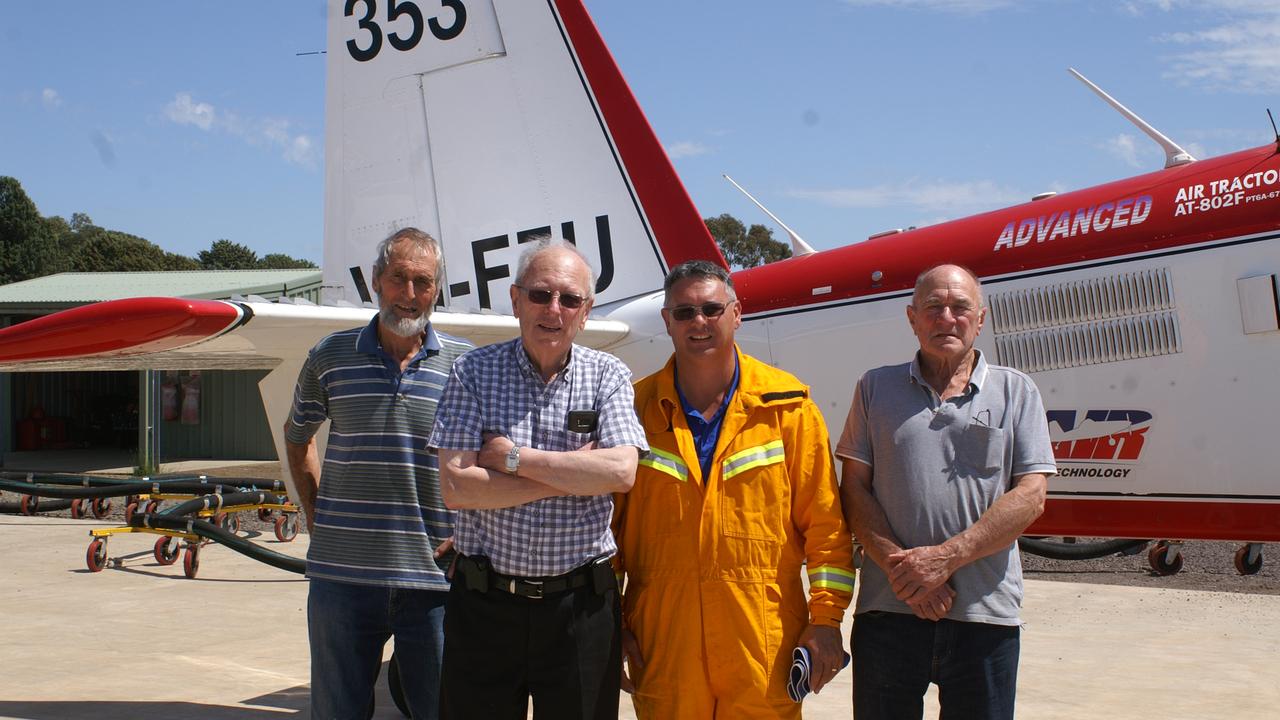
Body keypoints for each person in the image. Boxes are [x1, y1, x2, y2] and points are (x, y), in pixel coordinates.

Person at [614, 259, 855, 719]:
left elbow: (826, 529)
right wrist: (610, 625)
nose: (699, 322)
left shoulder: (788, 409)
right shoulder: (632, 410)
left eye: (711, 309)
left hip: (761, 646)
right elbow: (604, 533)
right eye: (684, 313)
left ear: (737, 314)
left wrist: (826, 621)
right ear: (666, 321)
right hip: (665, 644)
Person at [428, 238, 648, 720]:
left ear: (586, 311)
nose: (554, 309)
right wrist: (573, 474)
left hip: (581, 611)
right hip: (485, 606)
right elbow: (457, 487)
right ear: (515, 299)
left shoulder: (608, 374)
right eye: (540, 294)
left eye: (570, 299)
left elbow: (621, 471)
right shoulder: (471, 372)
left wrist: (511, 459)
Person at [837, 264, 1056, 720]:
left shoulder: (1017, 391)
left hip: (985, 615)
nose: (946, 318)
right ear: (912, 318)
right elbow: (853, 488)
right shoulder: (875, 387)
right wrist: (907, 574)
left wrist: (946, 559)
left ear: (982, 319)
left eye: (960, 308)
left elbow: (1031, 494)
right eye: (933, 307)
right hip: (887, 613)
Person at [285, 227, 473, 720]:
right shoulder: (330, 356)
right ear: (375, 282)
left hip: (434, 583)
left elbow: (489, 457)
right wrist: (316, 515)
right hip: (341, 583)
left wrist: (473, 531)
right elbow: (298, 435)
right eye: (398, 278)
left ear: (437, 290)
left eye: (423, 282)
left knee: (443, 710)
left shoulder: (465, 365)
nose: (410, 295)